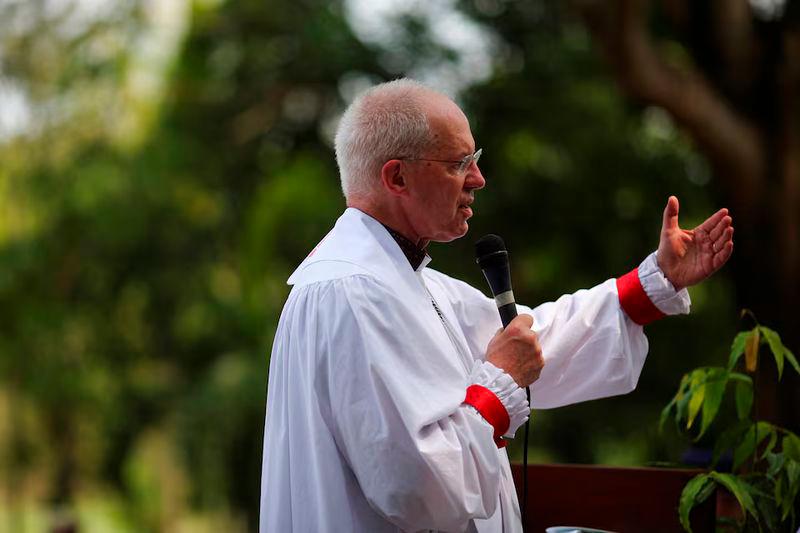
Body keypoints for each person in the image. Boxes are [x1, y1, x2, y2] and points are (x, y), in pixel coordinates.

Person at [259, 78, 734, 532]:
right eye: (458, 163)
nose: (479, 179)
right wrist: (499, 387)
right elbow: (414, 487)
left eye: (475, 159)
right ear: (397, 176)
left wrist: (652, 285)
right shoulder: (352, 293)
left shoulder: (410, 284)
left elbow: (529, 341)